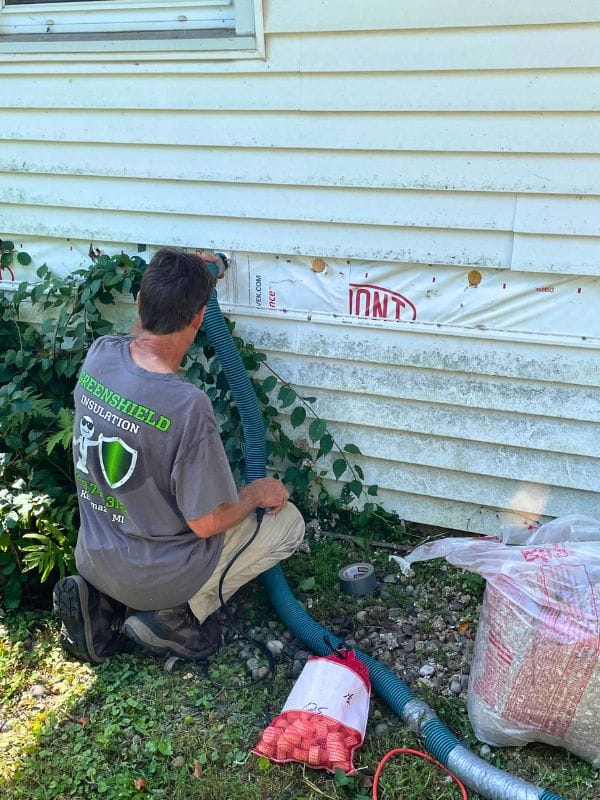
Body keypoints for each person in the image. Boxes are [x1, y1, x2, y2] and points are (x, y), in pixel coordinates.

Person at [53, 248, 305, 664]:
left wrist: (185, 279)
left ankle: (103, 603)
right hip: (158, 576)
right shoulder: (185, 407)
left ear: (138, 302)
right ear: (200, 319)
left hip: (96, 555)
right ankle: (171, 615)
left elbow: (140, 332)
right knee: (288, 524)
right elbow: (206, 522)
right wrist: (256, 493)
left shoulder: (101, 354)